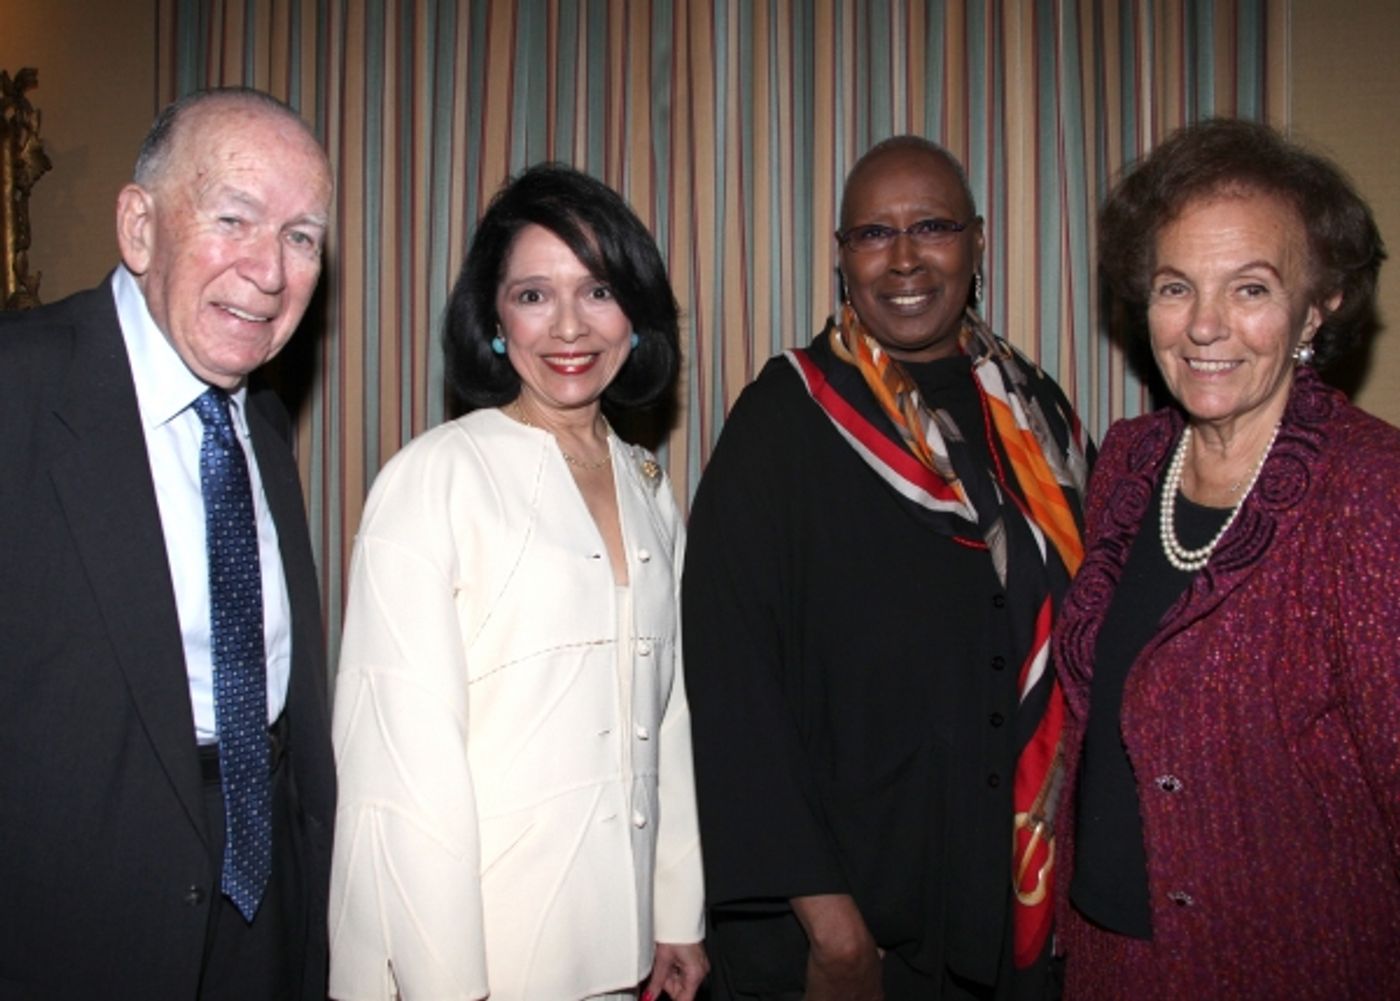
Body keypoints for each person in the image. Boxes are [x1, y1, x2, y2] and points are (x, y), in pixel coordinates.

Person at [683, 135, 1092, 1000]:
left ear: (977, 243)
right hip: (853, 930)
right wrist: (830, 925)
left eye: (932, 225)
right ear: (842, 258)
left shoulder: (1039, 415)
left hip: (1013, 908)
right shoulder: (783, 418)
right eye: (873, 233)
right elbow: (731, 685)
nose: (904, 256)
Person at [328, 163, 707, 1000]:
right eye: (533, 295)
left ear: (636, 313)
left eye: (598, 289)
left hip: (626, 952)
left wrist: (676, 907)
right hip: (490, 962)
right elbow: (399, 780)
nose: (568, 326)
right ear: (494, 320)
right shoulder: (433, 480)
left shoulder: (649, 484)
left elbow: (666, 707)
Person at [0, 88, 337, 999]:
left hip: (266, 909)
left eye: (302, 237)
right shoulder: (20, 390)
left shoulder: (258, 420)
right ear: (140, 227)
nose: (270, 271)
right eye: (235, 218)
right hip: (76, 928)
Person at [1053, 118, 1399, 998]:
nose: (1204, 325)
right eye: (1176, 287)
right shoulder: (1130, 462)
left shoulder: (1371, 496)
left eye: (1250, 288)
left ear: (1316, 306)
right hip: (1107, 957)